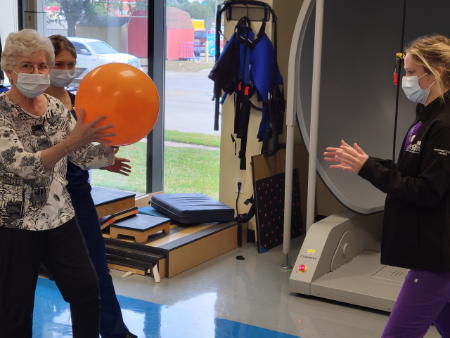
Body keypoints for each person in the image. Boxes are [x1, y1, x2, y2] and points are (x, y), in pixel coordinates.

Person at [324, 35, 450, 337]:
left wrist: (368, 169)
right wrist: (367, 163)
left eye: (410, 73)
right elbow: (409, 170)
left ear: (436, 73)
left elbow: (428, 190)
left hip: (435, 256)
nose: (405, 80)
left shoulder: (444, 125)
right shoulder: (426, 119)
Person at [0, 29, 116, 337]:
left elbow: (83, 156)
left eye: (41, 66)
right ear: (9, 69)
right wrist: (69, 143)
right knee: (15, 311)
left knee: (87, 291)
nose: (37, 73)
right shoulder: (2, 114)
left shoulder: (54, 108)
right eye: (27, 66)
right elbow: (24, 167)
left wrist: (108, 148)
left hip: (58, 217)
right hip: (14, 225)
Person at [45, 34, 136, 338]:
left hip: (79, 196)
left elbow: (82, 152)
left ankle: (114, 332)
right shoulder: (35, 106)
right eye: (59, 64)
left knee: (97, 271)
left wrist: (105, 156)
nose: (66, 69)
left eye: (71, 64)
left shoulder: (81, 101)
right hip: (43, 200)